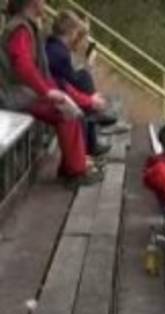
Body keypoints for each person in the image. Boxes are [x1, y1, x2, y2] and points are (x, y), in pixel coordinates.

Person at [0, 0, 100, 186]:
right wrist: (47, 92)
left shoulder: (26, 26)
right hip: (15, 95)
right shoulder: (20, 28)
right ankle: (75, 171)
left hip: (23, 93)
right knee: (66, 112)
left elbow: (36, 71)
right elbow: (23, 66)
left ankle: (73, 166)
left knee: (68, 109)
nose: (45, 4)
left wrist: (53, 92)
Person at [45, 9, 112, 157]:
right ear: (70, 32)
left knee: (83, 76)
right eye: (76, 32)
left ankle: (94, 113)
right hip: (55, 95)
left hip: (57, 90)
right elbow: (68, 83)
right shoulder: (59, 52)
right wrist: (90, 100)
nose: (77, 37)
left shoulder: (54, 47)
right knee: (84, 77)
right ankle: (93, 119)